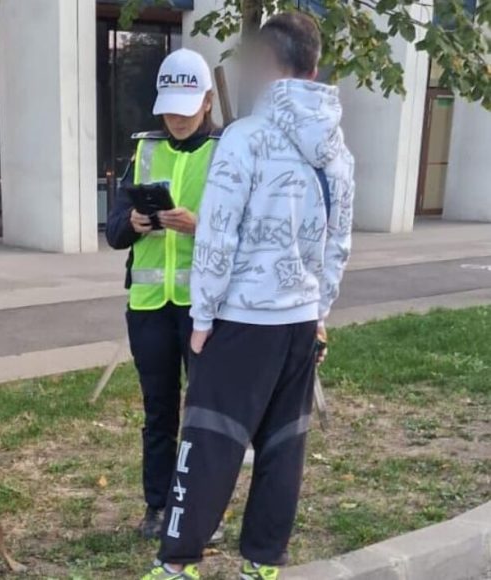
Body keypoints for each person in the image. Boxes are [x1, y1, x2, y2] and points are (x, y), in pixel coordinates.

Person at [143, 12, 355, 580]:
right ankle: (262, 564)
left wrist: (202, 316)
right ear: (314, 69)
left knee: (209, 440)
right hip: (300, 322)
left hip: (241, 319)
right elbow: (338, 243)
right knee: (284, 445)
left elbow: (218, 234)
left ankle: (177, 564)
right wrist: (320, 313)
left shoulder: (245, 138)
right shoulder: (336, 150)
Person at [106, 48, 222, 541]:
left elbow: (246, 233)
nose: (176, 119)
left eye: (186, 108)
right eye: (169, 109)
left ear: (208, 101)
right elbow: (114, 232)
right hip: (149, 308)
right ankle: (157, 506)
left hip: (204, 309)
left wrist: (201, 227)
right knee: (158, 413)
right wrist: (133, 223)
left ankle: (199, 511)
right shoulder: (145, 150)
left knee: (205, 415)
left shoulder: (226, 152)